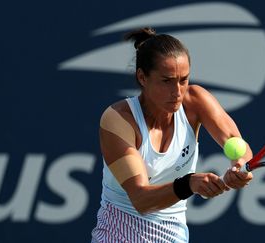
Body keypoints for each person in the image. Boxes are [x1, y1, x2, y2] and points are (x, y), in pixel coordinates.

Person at [91, 27, 253, 243]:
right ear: (142, 77)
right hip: (118, 235)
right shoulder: (119, 119)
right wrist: (189, 184)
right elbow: (142, 200)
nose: (177, 92)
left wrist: (239, 167)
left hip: (174, 236)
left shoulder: (195, 101)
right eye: (166, 81)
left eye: (183, 80)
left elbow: (237, 143)